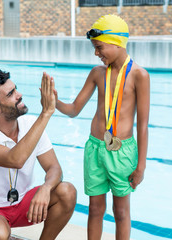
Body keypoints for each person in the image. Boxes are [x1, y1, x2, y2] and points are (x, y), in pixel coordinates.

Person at [55, 15, 150, 240]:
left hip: (122, 152)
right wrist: (54, 102)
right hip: (95, 149)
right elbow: (74, 109)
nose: (96, 53)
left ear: (116, 42)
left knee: (121, 212)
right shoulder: (98, 74)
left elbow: (143, 126)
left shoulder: (139, 75)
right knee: (95, 210)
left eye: (99, 47)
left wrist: (141, 167)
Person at [0, 68, 77, 240]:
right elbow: (15, 159)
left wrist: (46, 188)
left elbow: (54, 168)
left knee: (66, 191)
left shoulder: (31, 124)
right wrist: (46, 113)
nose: (19, 94)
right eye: (11, 94)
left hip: (24, 203)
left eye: (15, 88)